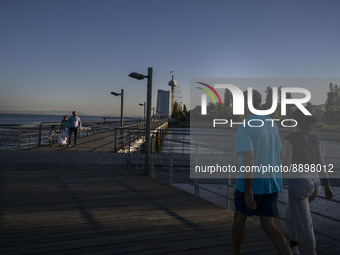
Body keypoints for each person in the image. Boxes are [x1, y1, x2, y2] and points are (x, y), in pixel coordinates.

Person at [232, 89, 291, 255]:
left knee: (239, 218)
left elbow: (249, 157)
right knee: (269, 226)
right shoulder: (271, 123)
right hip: (271, 183)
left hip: (250, 184)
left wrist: (248, 190)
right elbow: (279, 154)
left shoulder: (245, 125)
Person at [284, 110, 333, 255]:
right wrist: (327, 187)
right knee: (290, 211)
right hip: (315, 184)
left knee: (306, 228)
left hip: (299, 184)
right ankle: (293, 243)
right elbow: (322, 164)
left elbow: (286, 166)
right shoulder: (314, 140)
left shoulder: (290, 139)